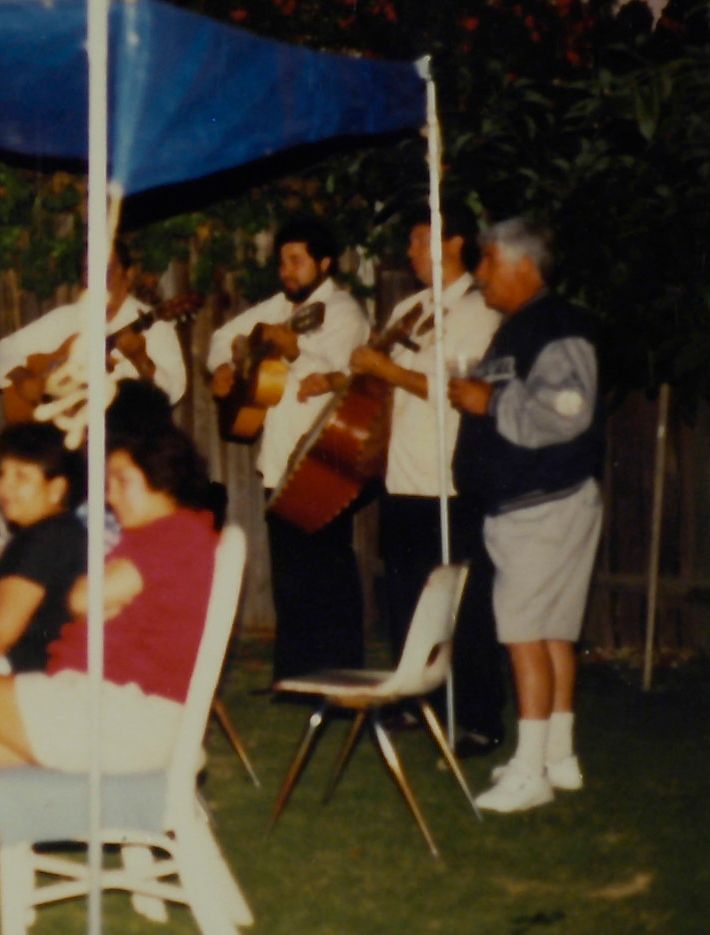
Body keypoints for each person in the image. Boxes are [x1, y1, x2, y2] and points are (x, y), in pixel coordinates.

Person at [450, 218, 603, 813]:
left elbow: (567, 413)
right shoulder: (524, 326)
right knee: (552, 632)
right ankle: (558, 757)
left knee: (521, 634)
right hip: (541, 504)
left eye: (488, 260)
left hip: (540, 508)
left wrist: (489, 401)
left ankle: (528, 770)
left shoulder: (556, 327)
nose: (479, 272)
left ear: (523, 265)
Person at [0, 425, 220, 778]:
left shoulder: (176, 532)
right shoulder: (151, 537)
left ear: (163, 477)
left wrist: (97, 596)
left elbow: (83, 598)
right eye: (108, 482)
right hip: (102, 708)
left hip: (123, 717)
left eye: (122, 481)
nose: (110, 495)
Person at [347, 206, 507, 754]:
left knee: (464, 602)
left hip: (451, 479)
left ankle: (481, 716)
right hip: (402, 476)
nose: (411, 251)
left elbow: (454, 389)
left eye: (421, 240)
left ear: (454, 242)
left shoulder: (478, 310)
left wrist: (385, 369)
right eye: (412, 242)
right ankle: (416, 702)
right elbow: (383, 384)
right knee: (407, 596)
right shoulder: (410, 308)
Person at [206, 218, 370, 682]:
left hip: (325, 456)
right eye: (282, 262)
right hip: (280, 460)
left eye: (296, 261)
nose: (286, 271)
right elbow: (221, 339)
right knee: (290, 576)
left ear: (324, 263)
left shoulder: (343, 312)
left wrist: (293, 348)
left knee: (327, 572)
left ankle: (339, 674)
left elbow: (336, 369)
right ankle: (294, 675)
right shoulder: (279, 307)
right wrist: (223, 367)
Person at [0, 240, 186, 423]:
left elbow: (173, 393)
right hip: (64, 432)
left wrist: (141, 358)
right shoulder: (66, 318)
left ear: (128, 274)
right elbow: (4, 349)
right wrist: (21, 377)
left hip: (128, 433)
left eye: (106, 269)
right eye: (89, 271)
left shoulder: (156, 327)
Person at [0, 423, 87, 673]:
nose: (4, 486)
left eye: (21, 476)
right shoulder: (57, 531)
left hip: (27, 677)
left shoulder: (46, 539)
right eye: (2, 473)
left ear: (56, 488)